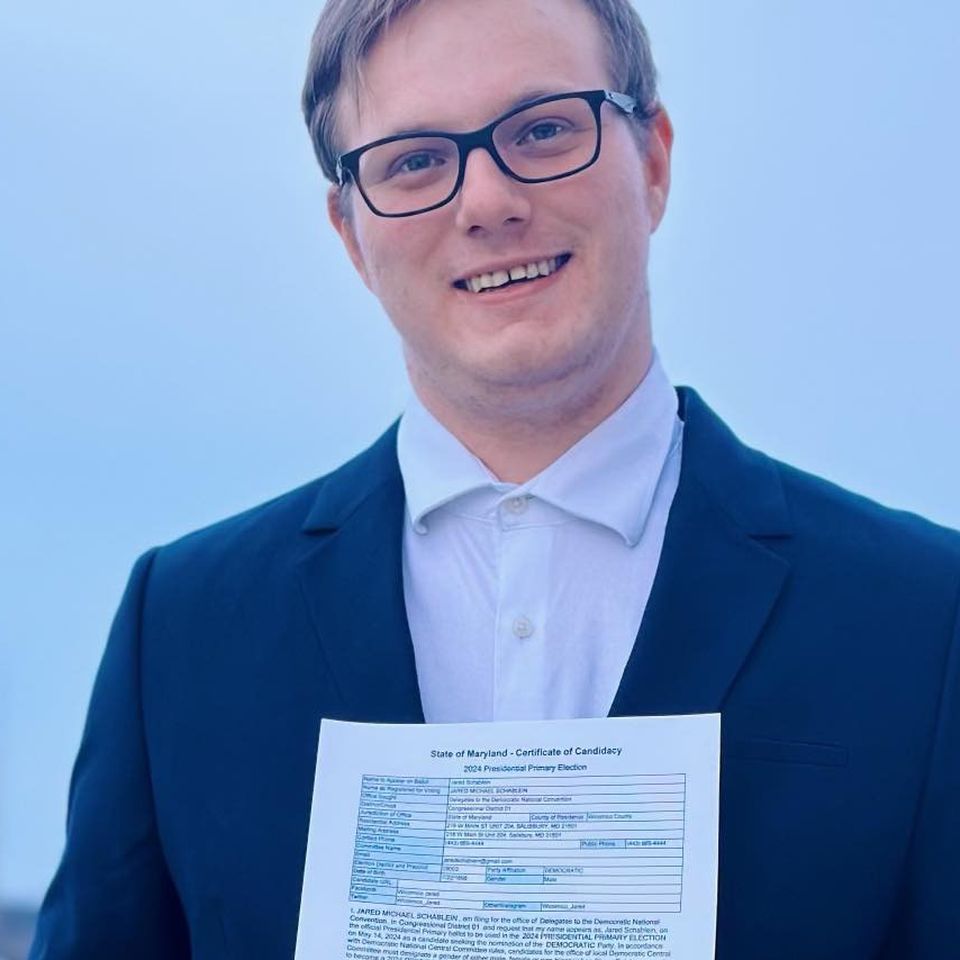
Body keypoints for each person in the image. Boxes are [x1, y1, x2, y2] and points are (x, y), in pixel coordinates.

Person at [29, 0, 960, 957]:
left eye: (543, 130)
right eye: (414, 161)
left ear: (653, 161)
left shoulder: (925, 616)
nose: (486, 202)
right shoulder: (180, 628)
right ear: (350, 234)